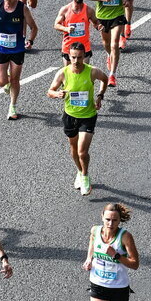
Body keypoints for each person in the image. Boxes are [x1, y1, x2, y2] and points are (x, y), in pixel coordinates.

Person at [47, 42, 108, 195]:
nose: (76, 61)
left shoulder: (92, 71)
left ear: (84, 56)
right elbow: (50, 90)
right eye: (73, 57)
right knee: (74, 150)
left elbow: (105, 79)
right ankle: (80, 172)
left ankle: (86, 176)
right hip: (70, 116)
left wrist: (100, 96)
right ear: (69, 56)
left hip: (88, 116)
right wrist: (57, 94)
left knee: (82, 152)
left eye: (79, 57)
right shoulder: (63, 73)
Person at [0, 0, 38, 120]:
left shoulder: (22, 8)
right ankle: (8, 84)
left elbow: (34, 28)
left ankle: (12, 106)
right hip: (0, 48)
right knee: (1, 82)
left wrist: (30, 41)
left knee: (15, 80)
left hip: (17, 49)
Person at [84, 0, 130, 88]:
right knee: (106, 43)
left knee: (115, 44)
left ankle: (112, 75)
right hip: (103, 16)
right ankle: (110, 55)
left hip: (117, 14)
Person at [54, 0, 100, 64]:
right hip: (68, 47)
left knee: (84, 74)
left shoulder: (89, 10)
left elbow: (96, 23)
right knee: (68, 75)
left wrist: (99, 26)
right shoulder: (65, 10)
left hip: (84, 47)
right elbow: (56, 25)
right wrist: (66, 29)